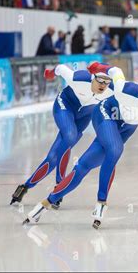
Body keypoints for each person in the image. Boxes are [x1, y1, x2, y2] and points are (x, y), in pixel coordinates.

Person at [23, 63, 138, 228]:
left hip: (127, 126)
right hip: (106, 113)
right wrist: (100, 67)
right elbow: (116, 70)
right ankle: (101, 202)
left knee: (83, 165)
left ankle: (44, 204)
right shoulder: (124, 90)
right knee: (115, 149)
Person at [10, 63, 118, 206]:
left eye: (106, 82)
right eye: (100, 81)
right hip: (65, 106)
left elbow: (129, 94)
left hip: (84, 116)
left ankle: (25, 187)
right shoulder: (78, 78)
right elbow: (60, 68)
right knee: (70, 136)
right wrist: (50, 73)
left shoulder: (112, 90)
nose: (103, 85)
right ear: (93, 78)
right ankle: (59, 183)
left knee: (54, 156)